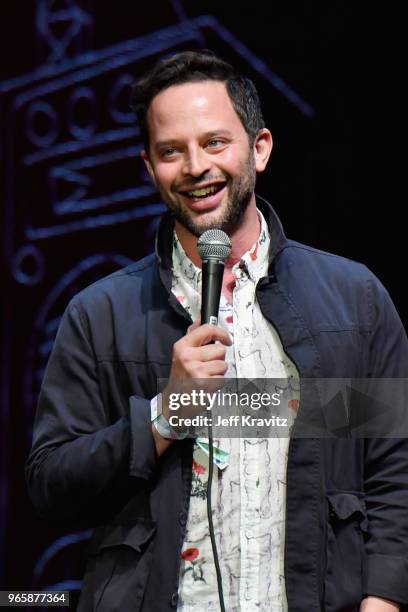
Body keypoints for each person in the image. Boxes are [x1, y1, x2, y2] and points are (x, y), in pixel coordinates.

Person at [25, 51, 408, 612]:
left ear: (260, 148)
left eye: (214, 142)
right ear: (149, 167)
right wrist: (166, 414)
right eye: (170, 151)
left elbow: (393, 469)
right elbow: (51, 487)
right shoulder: (101, 313)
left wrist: (384, 599)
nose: (195, 166)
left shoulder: (352, 299)